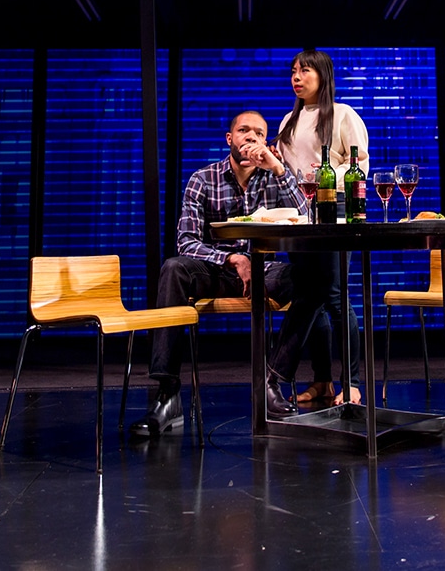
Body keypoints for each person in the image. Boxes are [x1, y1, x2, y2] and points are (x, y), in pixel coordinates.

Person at [132, 110, 332, 436]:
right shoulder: (203, 179)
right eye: (243, 131)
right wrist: (232, 259)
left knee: (318, 280)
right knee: (173, 269)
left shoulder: (275, 177)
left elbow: (309, 217)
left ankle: (273, 382)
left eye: (258, 133)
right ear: (230, 139)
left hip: (263, 271)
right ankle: (166, 394)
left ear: (266, 142)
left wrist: (279, 169)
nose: (250, 137)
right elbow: (186, 241)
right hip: (217, 270)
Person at [274, 49, 368, 407]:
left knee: (334, 297)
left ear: (323, 75)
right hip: (299, 216)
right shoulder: (288, 120)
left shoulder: (342, 114)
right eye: (294, 71)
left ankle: (353, 382)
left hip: (334, 211)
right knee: (308, 296)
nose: (297, 77)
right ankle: (322, 380)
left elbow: (360, 162)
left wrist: (322, 177)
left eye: (305, 70)